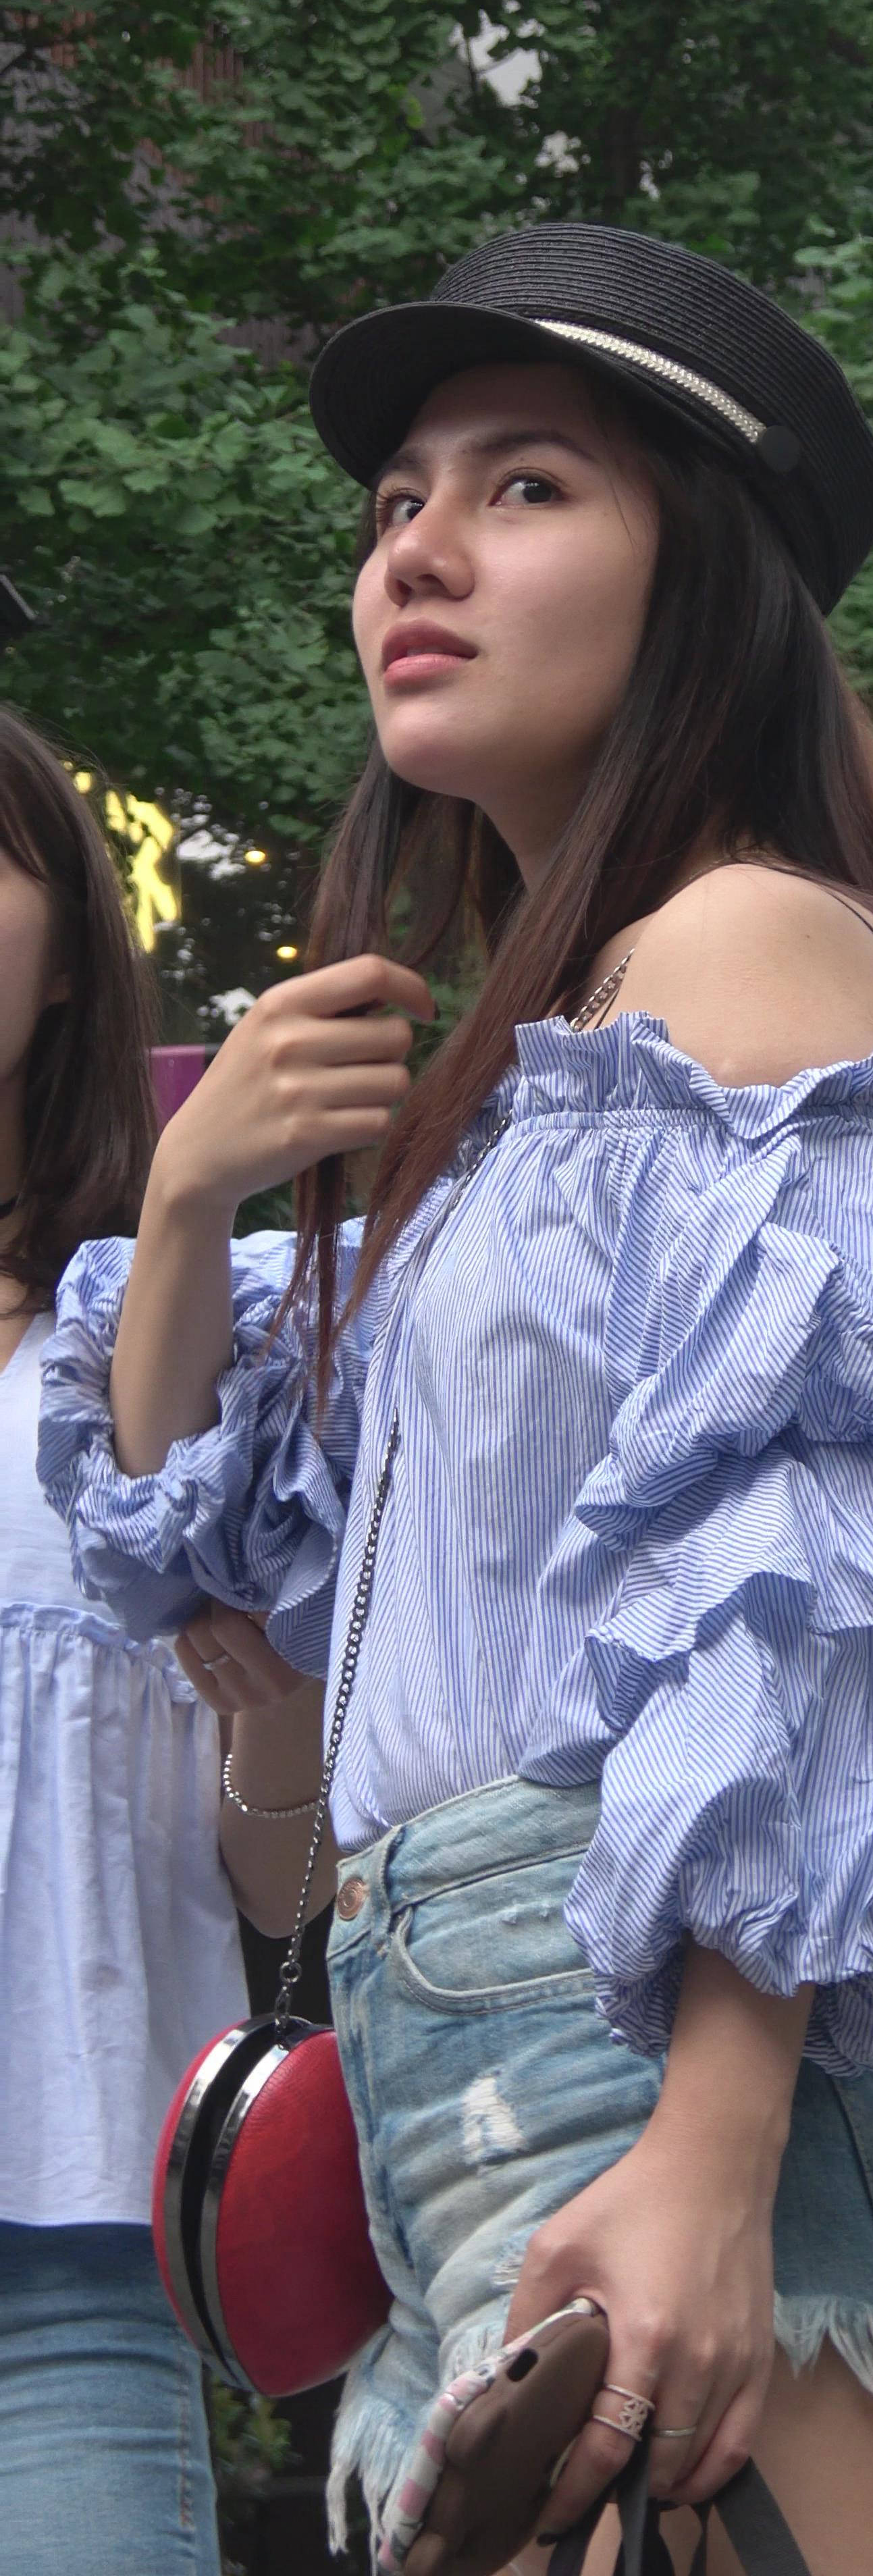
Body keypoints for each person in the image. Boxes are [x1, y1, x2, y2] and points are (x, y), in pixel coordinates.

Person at [40, 222, 873, 2576]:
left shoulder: (744, 946)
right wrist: (201, 1195)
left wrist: (715, 2150)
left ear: (701, 573)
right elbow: (190, 1559)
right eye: (396, 503)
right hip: (470, 2097)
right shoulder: (509, 1111)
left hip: (670, 2064)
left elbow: (831, 1561)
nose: (416, 553)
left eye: (524, 486)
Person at [0, 708, 250, 2576]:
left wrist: (284, 1727)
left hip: (74, 2268)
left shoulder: (169, 1336)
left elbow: (290, 1862)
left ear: (71, 947)